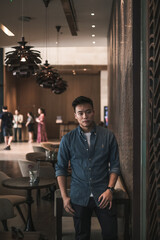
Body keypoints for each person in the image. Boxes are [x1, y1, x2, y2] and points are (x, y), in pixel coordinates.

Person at [55, 96, 120, 240]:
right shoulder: (68, 139)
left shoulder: (108, 136)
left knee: (111, 234)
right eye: (80, 113)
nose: (85, 116)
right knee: (81, 236)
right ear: (75, 115)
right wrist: (65, 197)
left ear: (94, 112)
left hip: (104, 194)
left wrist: (110, 190)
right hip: (79, 196)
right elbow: (60, 168)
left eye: (88, 112)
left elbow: (115, 165)